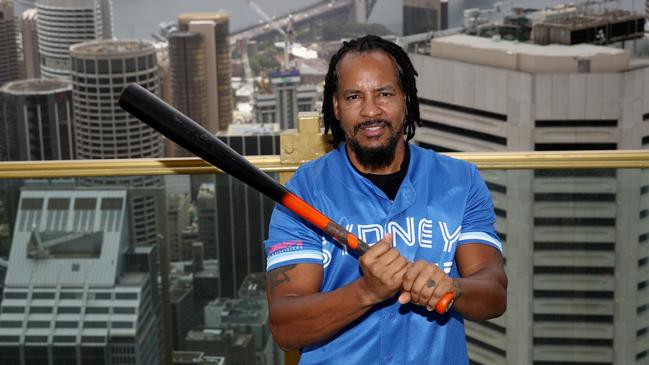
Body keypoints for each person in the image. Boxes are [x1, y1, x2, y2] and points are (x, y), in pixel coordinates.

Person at [263, 35, 507, 364]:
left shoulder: (460, 183)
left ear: (406, 98)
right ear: (336, 107)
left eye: (384, 94)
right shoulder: (304, 194)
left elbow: (494, 294)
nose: (371, 111)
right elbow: (284, 326)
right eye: (354, 97)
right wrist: (367, 291)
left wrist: (452, 288)